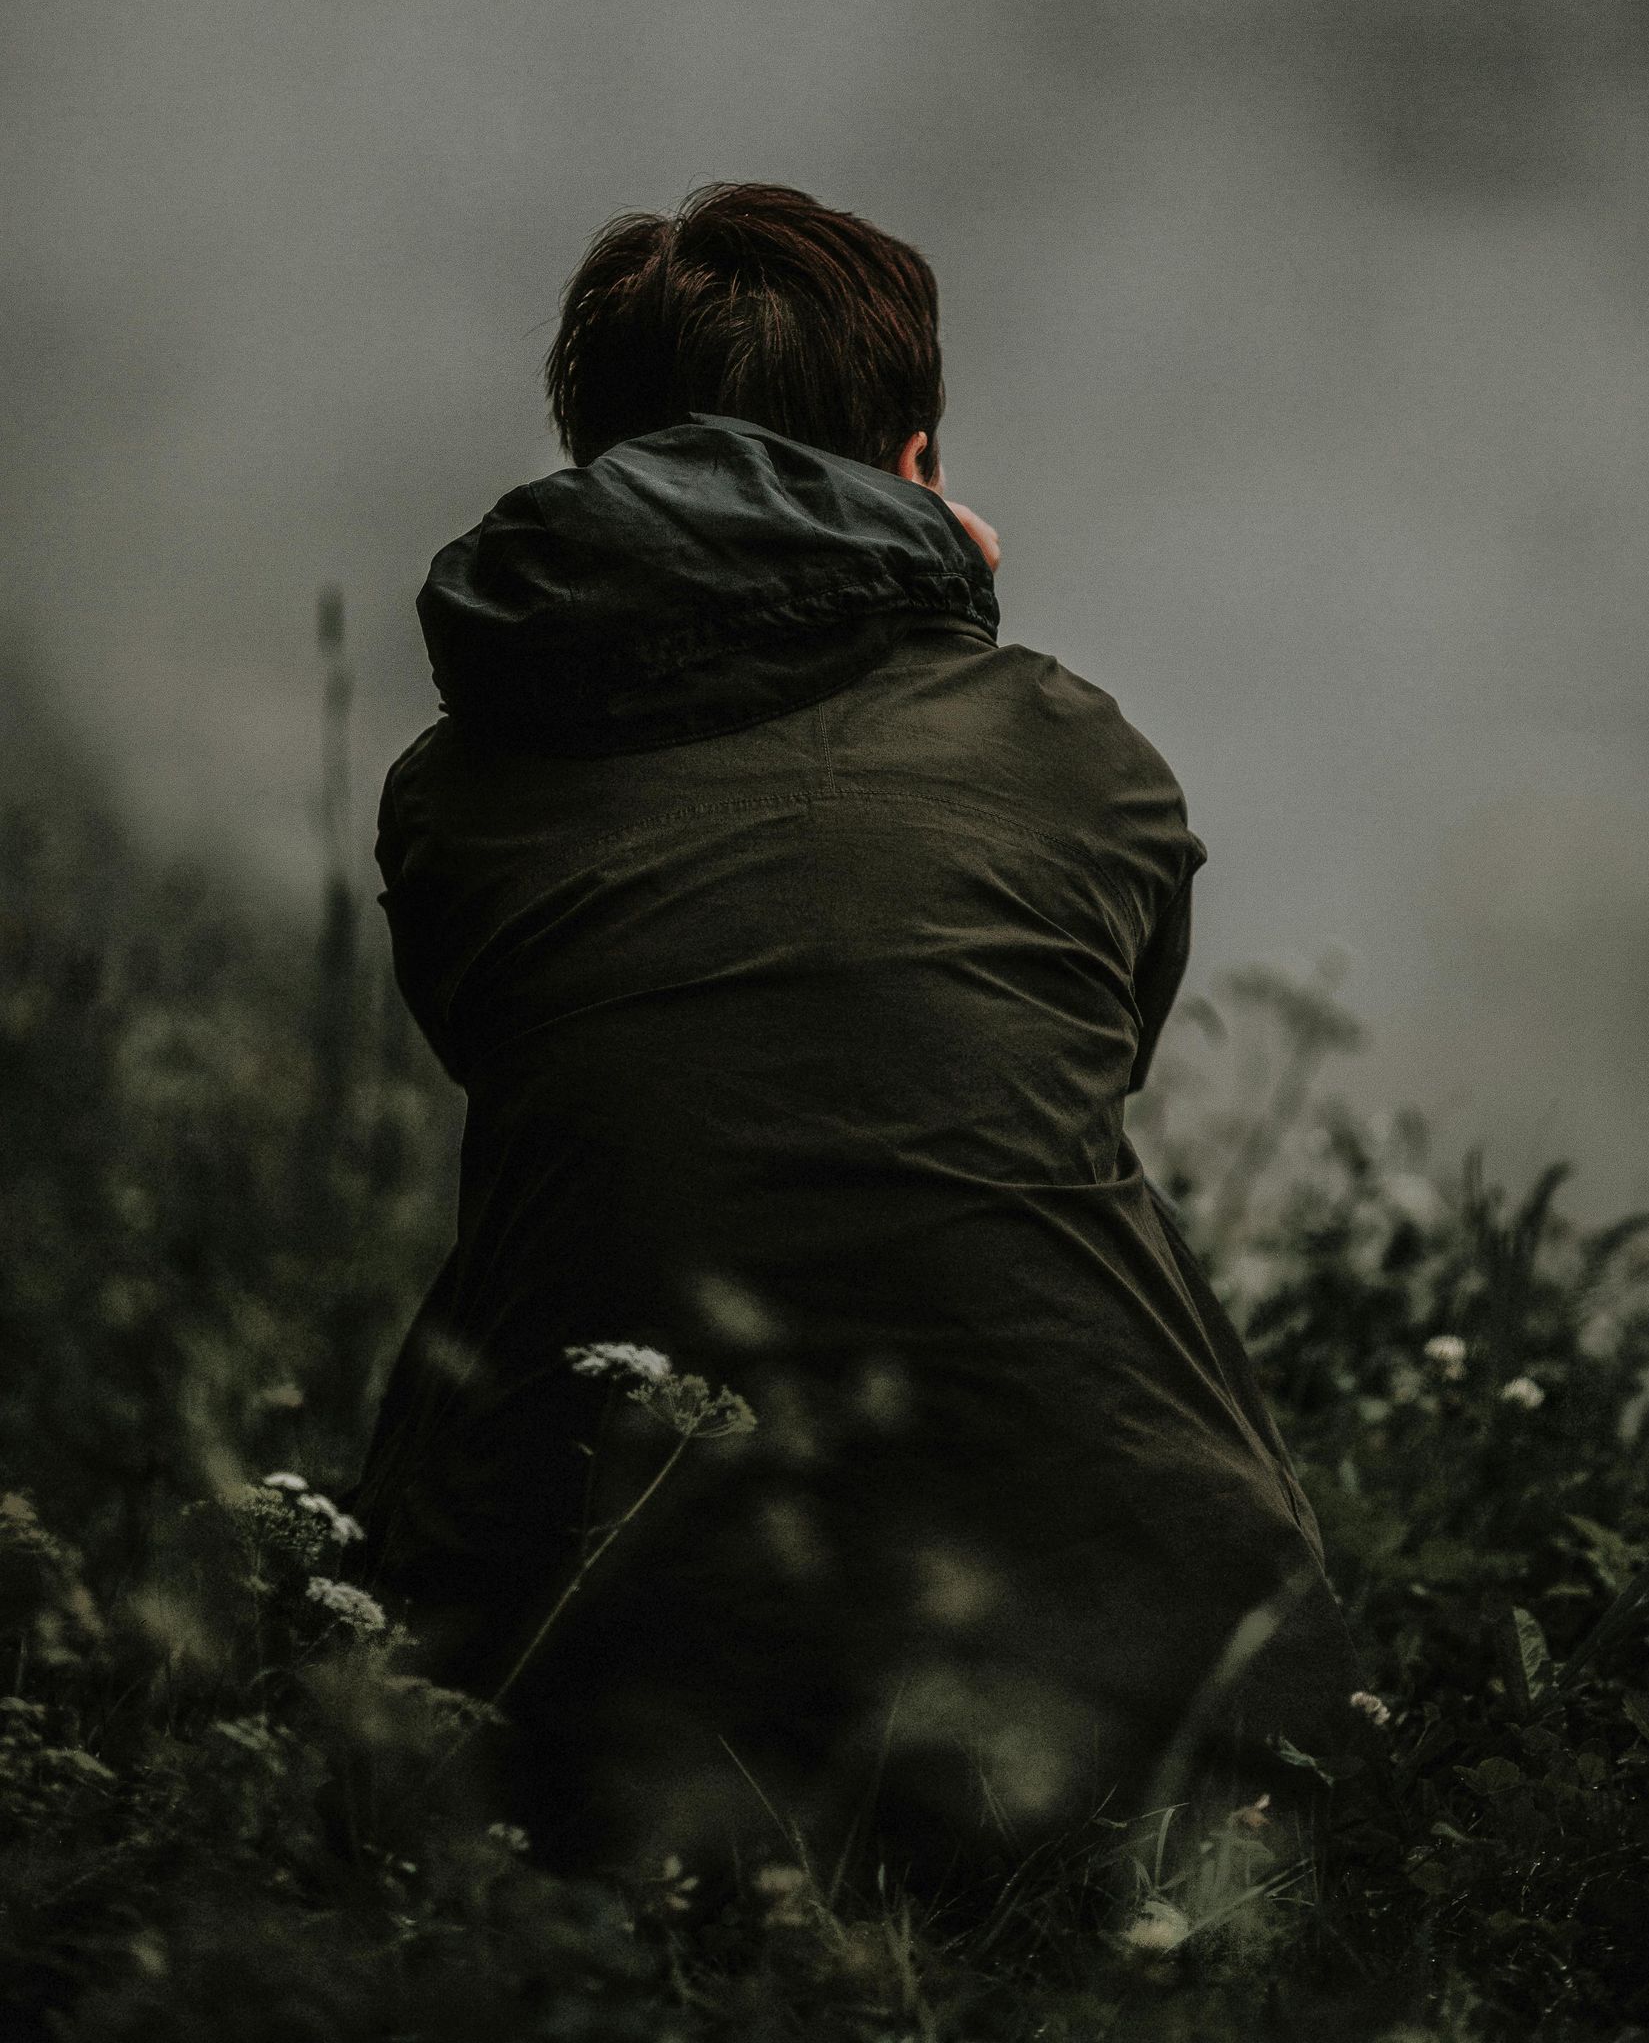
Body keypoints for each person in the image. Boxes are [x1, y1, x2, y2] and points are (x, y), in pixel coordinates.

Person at [354, 181, 1361, 1883]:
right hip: (1145, 1708)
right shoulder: (1081, 762)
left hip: (593, 1723)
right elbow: (1084, 1062)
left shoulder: (452, 802)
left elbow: (542, 1062)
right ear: (915, 469)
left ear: (598, 466)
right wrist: (941, 616)